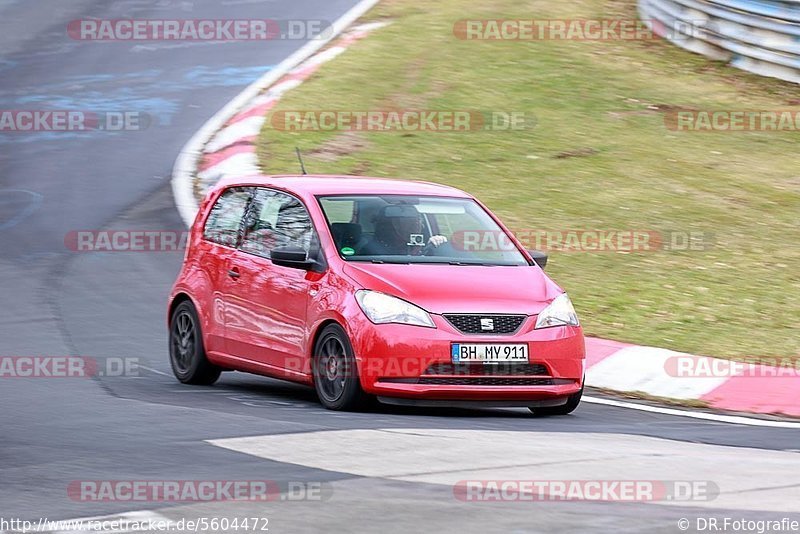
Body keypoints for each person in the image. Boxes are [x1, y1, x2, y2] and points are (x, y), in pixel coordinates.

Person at [361, 204, 447, 256]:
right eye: (407, 222)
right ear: (392, 226)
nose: (415, 226)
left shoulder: (428, 244)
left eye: (417, 221)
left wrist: (438, 244)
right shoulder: (372, 250)